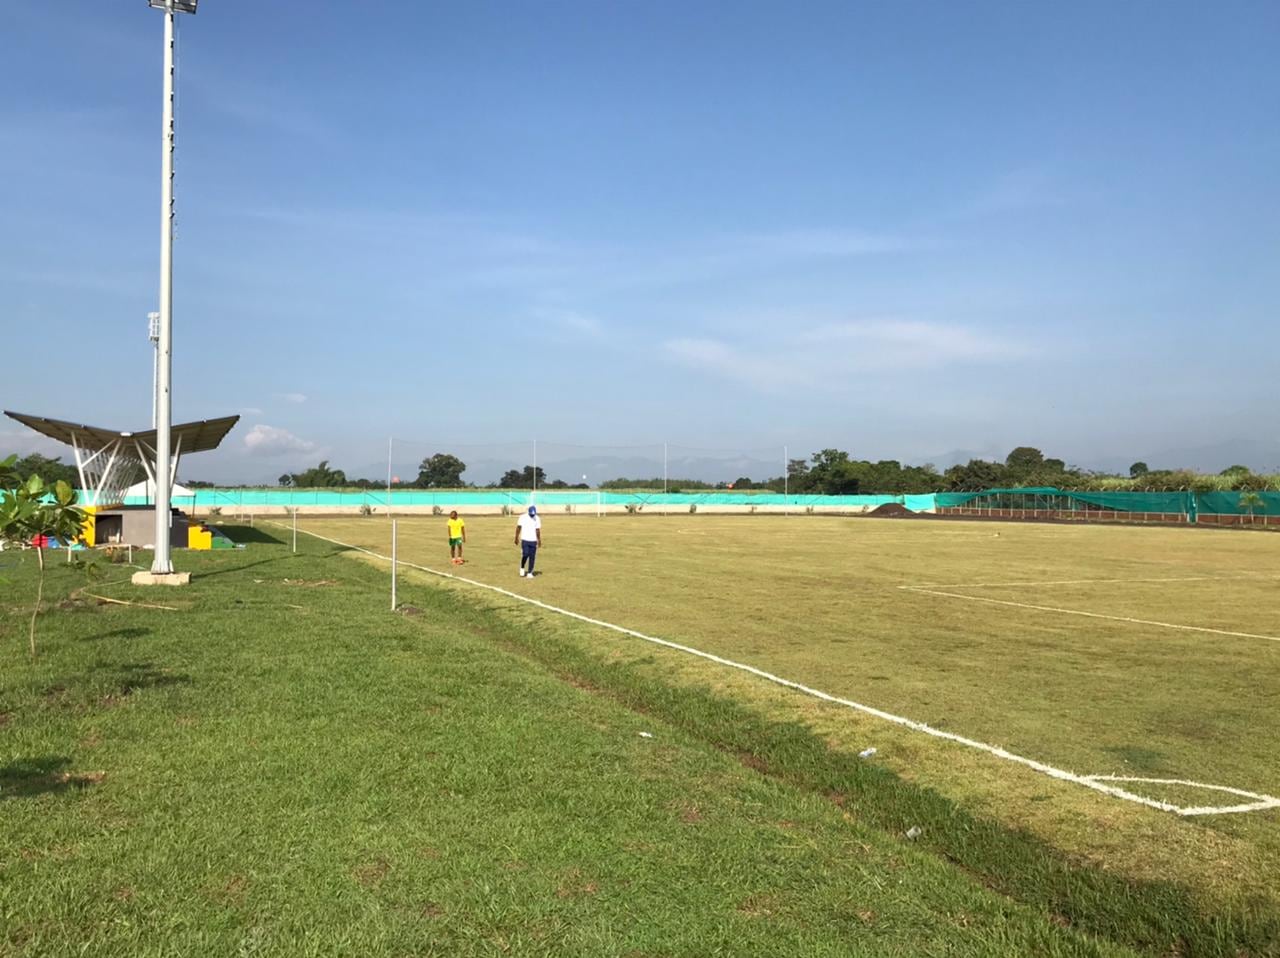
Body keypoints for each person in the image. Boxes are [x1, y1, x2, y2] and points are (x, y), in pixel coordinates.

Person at [515, 504, 542, 577]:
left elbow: (537, 530)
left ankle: (530, 572)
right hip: (525, 539)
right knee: (525, 554)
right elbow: (518, 528)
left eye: (533, 514)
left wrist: (539, 540)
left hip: (533, 540)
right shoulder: (522, 517)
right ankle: (522, 567)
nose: (532, 516)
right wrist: (516, 537)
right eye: (531, 514)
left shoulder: (537, 518)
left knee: (532, 556)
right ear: (528, 512)